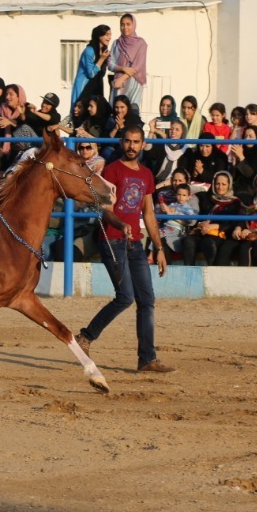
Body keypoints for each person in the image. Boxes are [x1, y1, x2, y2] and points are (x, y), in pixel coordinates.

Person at [76, 125, 173, 374]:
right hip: (113, 240)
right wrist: (121, 224)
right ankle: (86, 336)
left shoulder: (147, 174)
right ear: (122, 142)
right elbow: (106, 210)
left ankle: (147, 359)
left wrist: (159, 247)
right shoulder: (112, 170)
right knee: (125, 297)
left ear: (143, 144)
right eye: (128, 141)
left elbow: (148, 213)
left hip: (135, 243)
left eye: (136, 142)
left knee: (147, 300)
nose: (131, 146)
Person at [108, 13, 148, 109]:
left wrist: (123, 78)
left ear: (133, 25)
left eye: (128, 24)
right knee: (117, 110)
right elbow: (109, 64)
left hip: (133, 83)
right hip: (118, 84)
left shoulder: (141, 43)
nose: (125, 27)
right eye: (122, 24)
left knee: (132, 110)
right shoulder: (116, 43)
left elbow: (137, 67)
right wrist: (123, 68)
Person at [72, 24, 111, 111]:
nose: (109, 37)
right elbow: (91, 73)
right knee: (81, 110)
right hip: (85, 86)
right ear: (99, 36)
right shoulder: (89, 51)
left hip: (97, 85)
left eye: (110, 35)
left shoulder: (104, 51)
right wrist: (101, 59)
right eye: (106, 35)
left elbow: (102, 73)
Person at [159, 183, 197, 256]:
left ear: (188, 197)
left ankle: (151, 255)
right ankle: (152, 254)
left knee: (159, 235)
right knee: (156, 233)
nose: (181, 197)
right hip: (167, 226)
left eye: (184, 195)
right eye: (179, 194)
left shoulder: (187, 208)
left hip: (177, 229)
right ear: (176, 195)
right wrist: (164, 209)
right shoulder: (172, 204)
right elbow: (166, 214)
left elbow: (191, 219)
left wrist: (174, 213)